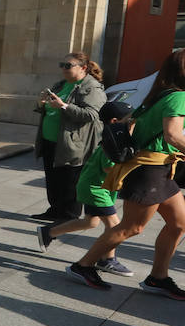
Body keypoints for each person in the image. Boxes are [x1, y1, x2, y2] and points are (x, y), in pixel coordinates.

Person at [68, 48, 185, 298]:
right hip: (148, 171)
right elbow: (173, 135)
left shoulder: (165, 94)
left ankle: (158, 278)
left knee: (179, 224)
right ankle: (83, 265)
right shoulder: (179, 97)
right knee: (132, 227)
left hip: (160, 170)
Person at [36, 101, 134, 277]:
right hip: (95, 189)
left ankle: (48, 232)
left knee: (90, 222)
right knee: (115, 225)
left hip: (98, 187)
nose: (133, 124)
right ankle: (107, 260)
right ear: (115, 121)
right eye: (130, 120)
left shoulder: (114, 138)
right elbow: (108, 168)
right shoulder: (113, 143)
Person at [32, 52, 106, 222]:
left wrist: (64, 106)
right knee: (53, 179)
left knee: (69, 182)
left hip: (73, 143)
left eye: (68, 66)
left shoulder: (91, 88)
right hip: (51, 140)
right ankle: (55, 210)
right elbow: (47, 109)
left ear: (83, 68)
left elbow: (92, 114)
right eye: (62, 65)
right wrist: (41, 103)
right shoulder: (61, 85)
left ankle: (69, 216)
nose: (63, 69)